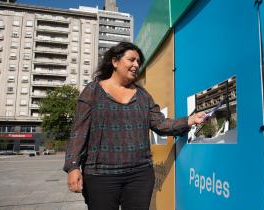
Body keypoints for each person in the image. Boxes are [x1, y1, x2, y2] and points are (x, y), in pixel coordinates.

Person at [63, 42, 206, 210]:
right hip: (100, 176)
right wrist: (73, 166)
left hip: (140, 175)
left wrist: (188, 120)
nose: (136, 65)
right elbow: (78, 132)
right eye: (131, 60)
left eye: (138, 61)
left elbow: (160, 123)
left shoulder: (143, 95)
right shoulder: (93, 91)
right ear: (115, 62)